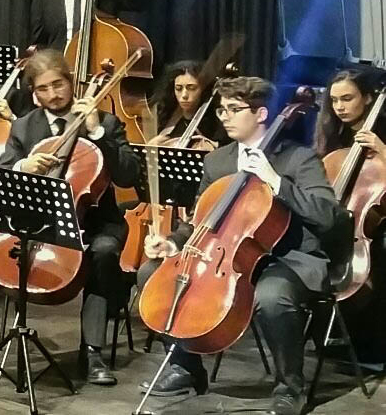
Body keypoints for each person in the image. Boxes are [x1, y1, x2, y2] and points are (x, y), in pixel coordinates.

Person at [138, 76, 351, 415]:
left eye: (234, 109)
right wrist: (173, 242)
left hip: (288, 258)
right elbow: (199, 219)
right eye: (221, 110)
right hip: (227, 257)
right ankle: (185, 367)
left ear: (261, 113)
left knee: (272, 295)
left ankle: (289, 388)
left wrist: (275, 181)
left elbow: (328, 216)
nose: (225, 116)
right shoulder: (218, 161)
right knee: (152, 273)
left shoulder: (298, 158)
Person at [0, 49, 140, 386]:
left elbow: (129, 174)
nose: (53, 94)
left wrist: (96, 132)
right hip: (36, 220)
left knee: (103, 251)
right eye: (43, 88)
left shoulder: (106, 122)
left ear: (71, 83)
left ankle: (92, 351)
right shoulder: (25, 126)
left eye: (58, 85)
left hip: (92, 222)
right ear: (34, 93)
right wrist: (22, 166)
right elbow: (2, 172)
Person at [311, 68, 386, 363]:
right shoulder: (332, 136)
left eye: (347, 98)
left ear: (367, 98)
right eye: (334, 100)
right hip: (341, 219)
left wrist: (381, 149)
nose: (339, 107)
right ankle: (326, 334)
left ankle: (375, 343)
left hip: (375, 222)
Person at [151, 60, 227, 145]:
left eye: (191, 88)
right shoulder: (165, 118)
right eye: (178, 88)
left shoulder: (219, 120)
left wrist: (215, 147)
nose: (184, 95)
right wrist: (150, 146)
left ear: (203, 89)